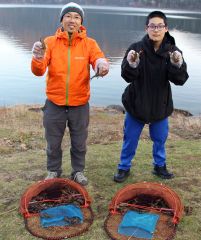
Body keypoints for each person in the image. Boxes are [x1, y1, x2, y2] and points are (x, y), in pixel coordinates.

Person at [31, 2, 109, 186]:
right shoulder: (49, 42)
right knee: (53, 142)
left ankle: (78, 172)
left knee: (79, 142)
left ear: (81, 21)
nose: (72, 20)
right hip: (54, 103)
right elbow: (38, 71)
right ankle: (53, 171)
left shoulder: (90, 44)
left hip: (80, 103)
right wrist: (38, 57)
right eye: (68, 16)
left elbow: (98, 58)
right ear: (62, 20)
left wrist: (101, 65)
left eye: (76, 17)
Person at [114, 11, 189, 183]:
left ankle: (159, 166)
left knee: (160, 139)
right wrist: (132, 64)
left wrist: (177, 64)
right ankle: (124, 167)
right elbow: (127, 76)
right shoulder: (136, 48)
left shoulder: (173, 51)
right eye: (152, 26)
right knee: (130, 139)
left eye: (160, 26)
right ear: (147, 28)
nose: (156, 29)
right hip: (136, 103)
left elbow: (180, 80)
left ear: (166, 28)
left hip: (160, 105)